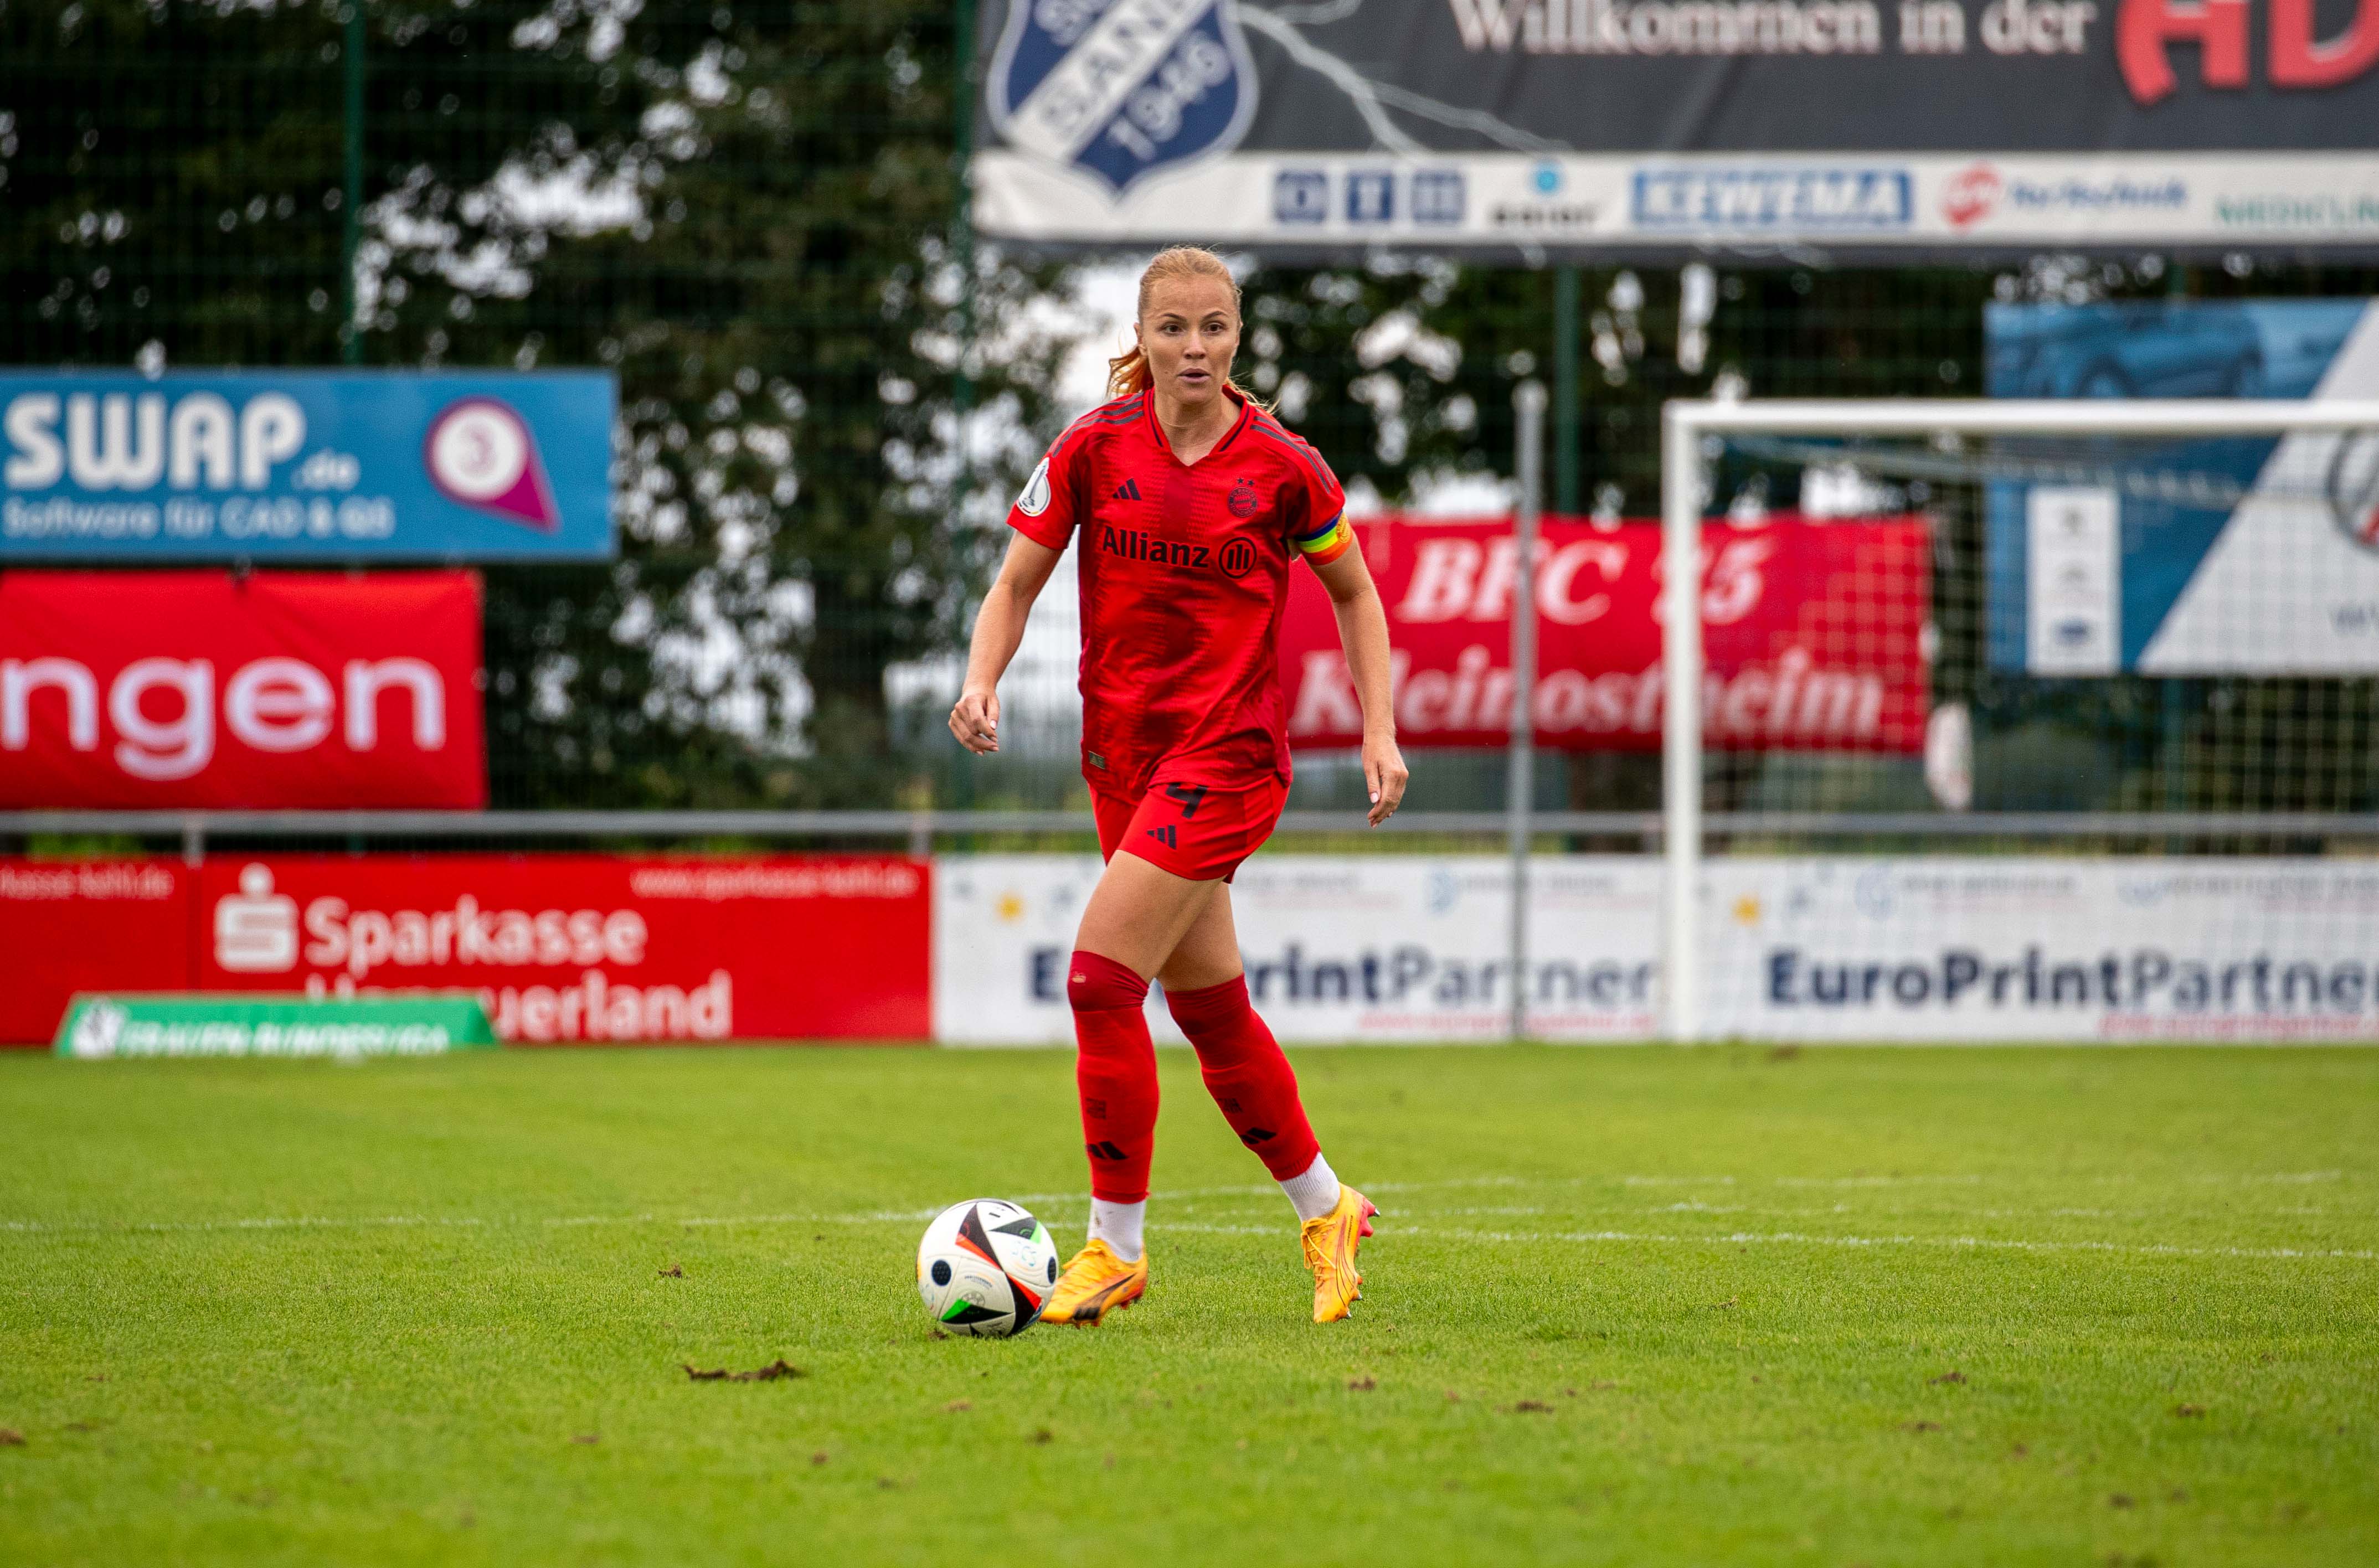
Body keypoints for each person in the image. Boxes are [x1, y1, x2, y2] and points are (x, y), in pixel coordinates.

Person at [950, 245, 1408, 1327]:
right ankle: (1327, 1205)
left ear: (1237, 337)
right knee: (1209, 1011)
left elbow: (1357, 595)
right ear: (1143, 337)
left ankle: (1116, 1248)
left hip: (1230, 759)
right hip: (1122, 759)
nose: (1194, 347)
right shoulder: (1091, 449)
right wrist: (980, 678)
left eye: (1213, 328)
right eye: (1173, 328)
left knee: (1098, 984)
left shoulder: (1284, 467)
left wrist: (1378, 730)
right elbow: (1016, 580)